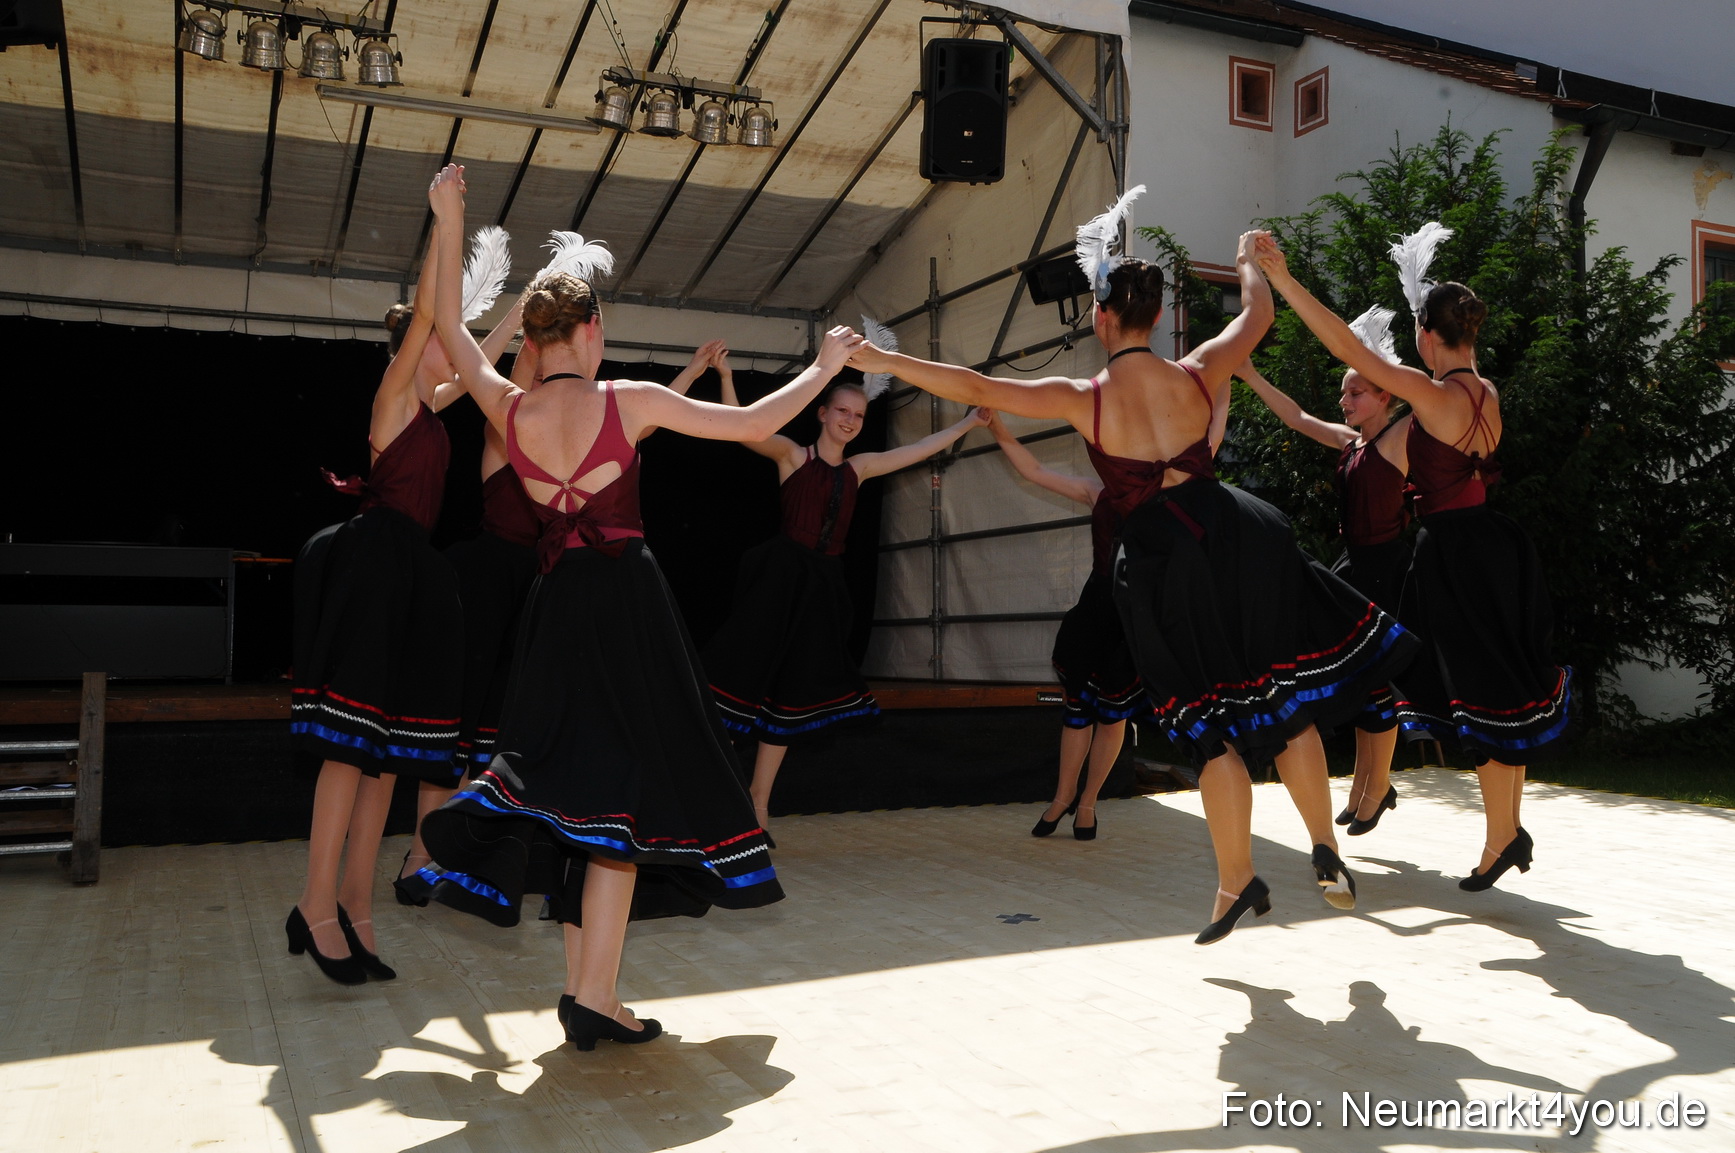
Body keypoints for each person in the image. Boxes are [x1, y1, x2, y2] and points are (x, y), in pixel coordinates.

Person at [849, 228, 1417, 944]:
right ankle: (1320, 843)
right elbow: (1260, 316)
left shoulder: (1081, 395)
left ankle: (1236, 876)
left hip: (1163, 559)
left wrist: (880, 358)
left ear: (1102, 318)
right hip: (1235, 532)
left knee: (1210, 728)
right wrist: (1246, 262)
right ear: (1153, 316)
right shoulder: (1196, 371)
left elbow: (973, 386)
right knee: (1282, 698)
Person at [418, 163, 864, 1049]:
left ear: (538, 338)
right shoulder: (631, 402)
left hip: (556, 613)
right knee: (620, 803)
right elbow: (751, 425)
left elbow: (446, 329)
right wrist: (822, 366)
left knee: (583, 797)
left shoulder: (507, 409)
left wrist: (447, 219)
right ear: (591, 330)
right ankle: (594, 995)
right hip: (629, 609)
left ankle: (591, 992)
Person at [1255, 236, 1571, 891]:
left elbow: (1347, 348)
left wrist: (1282, 278)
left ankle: (1499, 837)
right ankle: (1504, 831)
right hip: (1494, 546)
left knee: (1476, 697)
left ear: (1427, 337)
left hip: (1454, 553)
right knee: (1498, 691)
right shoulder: (1485, 391)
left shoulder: (1436, 397)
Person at [398, 332, 730, 906]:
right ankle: (422, 857)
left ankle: (515, 853)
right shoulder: (509, 420)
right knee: (461, 717)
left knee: (513, 728)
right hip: (489, 579)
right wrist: (536, 322)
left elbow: (632, 426)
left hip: (543, 577)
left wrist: (693, 374)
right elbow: (556, 386)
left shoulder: (557, 421)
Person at [702, 346, 988, 833]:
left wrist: (966, 424)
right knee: (742, 687)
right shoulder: (792, 455)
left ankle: (759, 803)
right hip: (779, 583)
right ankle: (707, 796)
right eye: (842, 411)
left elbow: (916, 451)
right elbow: (740, 425)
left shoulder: (862, 467)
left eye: (859, 415)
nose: (850, 420)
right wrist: (726, 376)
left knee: (789, 698)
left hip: (822, 590)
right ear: (821, 411)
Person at [288, 242, 465, 984]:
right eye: (435, 341)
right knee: (348, 748)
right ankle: (312, 904)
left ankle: (357, 903)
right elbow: (431, 311)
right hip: (373, 569)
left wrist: (520, 312)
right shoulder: (394, 394)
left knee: (385, 758)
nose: (446, 350)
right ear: (414, 348)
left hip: (411, 580)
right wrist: (443, 226)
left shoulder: (433, 404)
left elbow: (475, 355)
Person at [1234, 357, 1411, 835]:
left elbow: (1440, 398)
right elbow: (1297, 418)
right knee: (1356, 682)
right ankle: (1365, 787)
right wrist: (1250, 372)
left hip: (1385, 571)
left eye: (1356, 393)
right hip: (1353, 567)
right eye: (1344, 392)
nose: (1344, 400)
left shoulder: (1399, 438)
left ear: (1386, 397)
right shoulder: (1353, 442)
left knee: (1378, 680)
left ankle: (1377, 788)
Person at [982, 410, 1177, 840]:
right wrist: (997, 426)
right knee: (1077, 708)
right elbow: (1033, 471)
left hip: (1134, 618)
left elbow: (1207, 446)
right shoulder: (1096, 492)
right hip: (1095, 611)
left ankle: (1087, 803)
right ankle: (1062, 797)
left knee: (1113, 716)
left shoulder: (1167, 490)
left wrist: (1222, 385)